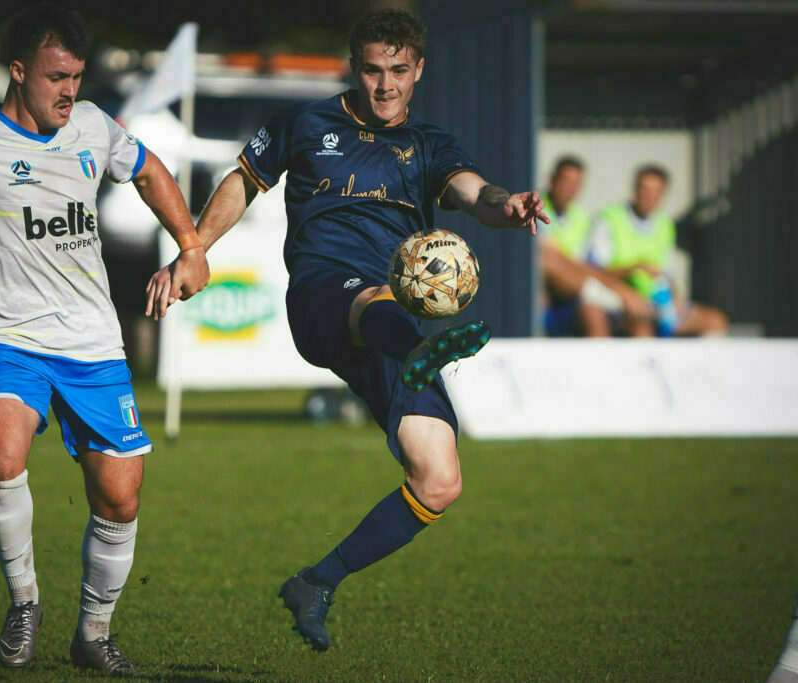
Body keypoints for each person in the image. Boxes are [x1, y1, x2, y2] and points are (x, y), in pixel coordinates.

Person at [146, 9, 547, 651]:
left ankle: (317, 582)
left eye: (397, 71)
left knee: (439, 478)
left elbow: (477, 194)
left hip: (391, 329)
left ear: (419, 69)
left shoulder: (430, 145)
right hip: (324, 298)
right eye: (371, 70)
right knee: (378, 295)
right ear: (353, 66)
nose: (384, 85)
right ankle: (420, 347)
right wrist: (195, 247)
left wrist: (510, 204)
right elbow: (242, 182)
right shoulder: (308, 123)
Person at [0, 4, 208, 675]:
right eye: (57, 77)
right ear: (18, 72)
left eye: (77, 77)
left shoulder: (90, 126)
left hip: (92, 343)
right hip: (8, 338)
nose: (69, 91)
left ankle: (93, 634)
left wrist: (190, 244)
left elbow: (147, 170)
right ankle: (24, 599)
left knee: (121, 495)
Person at [586, 165, 728, 337]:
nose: (649, 196)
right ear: (635, 189)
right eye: (644, 189)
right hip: (620, 298)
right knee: (642, 329)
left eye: (656, 191)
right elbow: (593, 271)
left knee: (715, 322)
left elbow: (667, 272)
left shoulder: (665, 225)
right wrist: (634, 269)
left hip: (658, 301)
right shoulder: (609, 219)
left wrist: (675, 298)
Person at [539, 156, 652, 336]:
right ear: (552, 179)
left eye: (576, 184)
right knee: (591, 310)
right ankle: (615, 299)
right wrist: (621, 290)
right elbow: (555, 263)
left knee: (640, 324)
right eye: (566, 181)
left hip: (580, 292)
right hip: (553, 299)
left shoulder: (581, 218)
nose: (571, 189)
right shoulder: (536, 208)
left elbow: (584, 266)